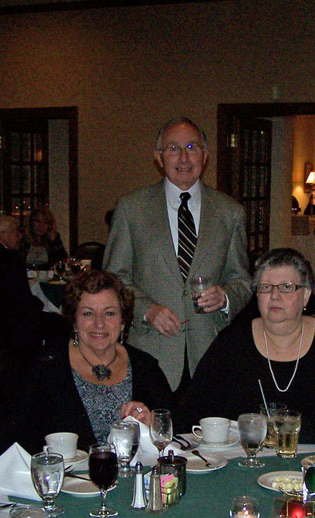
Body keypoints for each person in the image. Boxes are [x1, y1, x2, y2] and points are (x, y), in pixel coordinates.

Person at [103, 117, 252, 393]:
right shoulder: (131, 209)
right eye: (173, 148)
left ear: (205, 156)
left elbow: (242, 280)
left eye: (191, 147)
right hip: (151, 352)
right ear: (159, 157)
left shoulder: (230, 212)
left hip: (210, 355)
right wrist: (147, 311)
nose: (183, 157)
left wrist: (226, 297)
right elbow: (113, 279)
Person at [179, 248, 315, 443]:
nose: (275, 295)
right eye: (266, 287)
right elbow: (196, 409)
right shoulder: (232, 343)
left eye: (286, 286)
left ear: (305, 295)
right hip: (245, 455)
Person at [0, 269, 172, 460]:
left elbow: (174, 430)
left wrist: (152, 425)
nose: (99, 323)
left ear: (123, 321)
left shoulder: (145, 367)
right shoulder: (42, 367)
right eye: (88, 313)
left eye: (109, 313)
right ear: (74, 320)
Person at [0, 214, 66, 353]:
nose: (20, 236)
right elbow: (21, 300)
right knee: (62, 323)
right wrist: (40, 306)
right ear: (2, 235)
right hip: (10, 324)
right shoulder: (10, 260)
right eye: (15, 232)